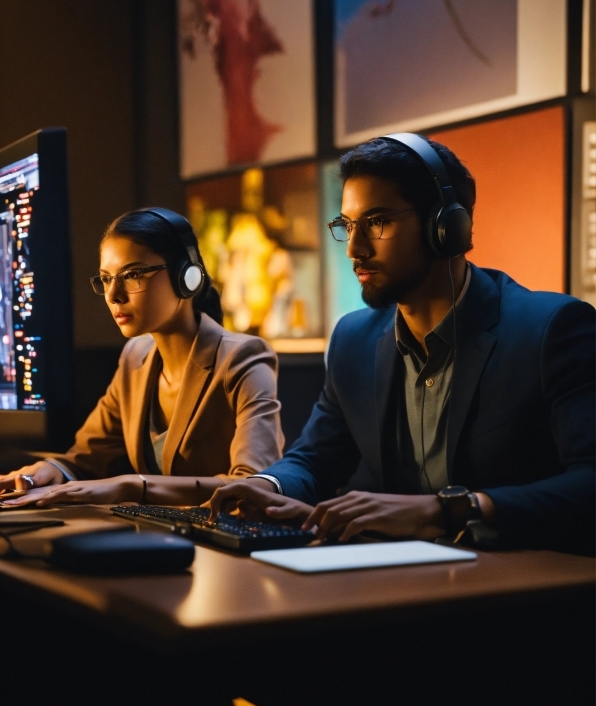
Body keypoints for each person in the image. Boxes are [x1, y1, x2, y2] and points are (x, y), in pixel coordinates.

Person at [209, 134, 595, 555]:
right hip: (400, 587)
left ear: (445, 227)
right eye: (348, 225)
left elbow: (590, 481)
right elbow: (314, 458)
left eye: (377, 222)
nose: (355, 249)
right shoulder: (353, 340)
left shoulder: (551, 330)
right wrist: (266, 486)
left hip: (524, 592)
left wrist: (449, 510)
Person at [0, 208, 283, 507]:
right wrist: (47, 471)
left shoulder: (243, 358)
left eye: (132, 274)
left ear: (186, 276)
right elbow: (86, 458)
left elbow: (253, 484)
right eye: (106, 279)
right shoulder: (136, 357)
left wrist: (134, 487)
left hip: (221, 543)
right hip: (157, 540)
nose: (113, 295)